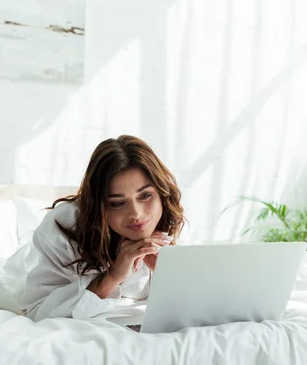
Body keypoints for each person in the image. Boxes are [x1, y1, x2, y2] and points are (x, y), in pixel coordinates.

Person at [22, 135, 185, 321]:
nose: (136, 214)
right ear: (99, 205)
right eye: (117, 203)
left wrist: (169, 275)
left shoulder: (165, 219)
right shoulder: (64, 227)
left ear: (161, 192)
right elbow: (36, 311)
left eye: (145, 196)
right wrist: (112, 277)